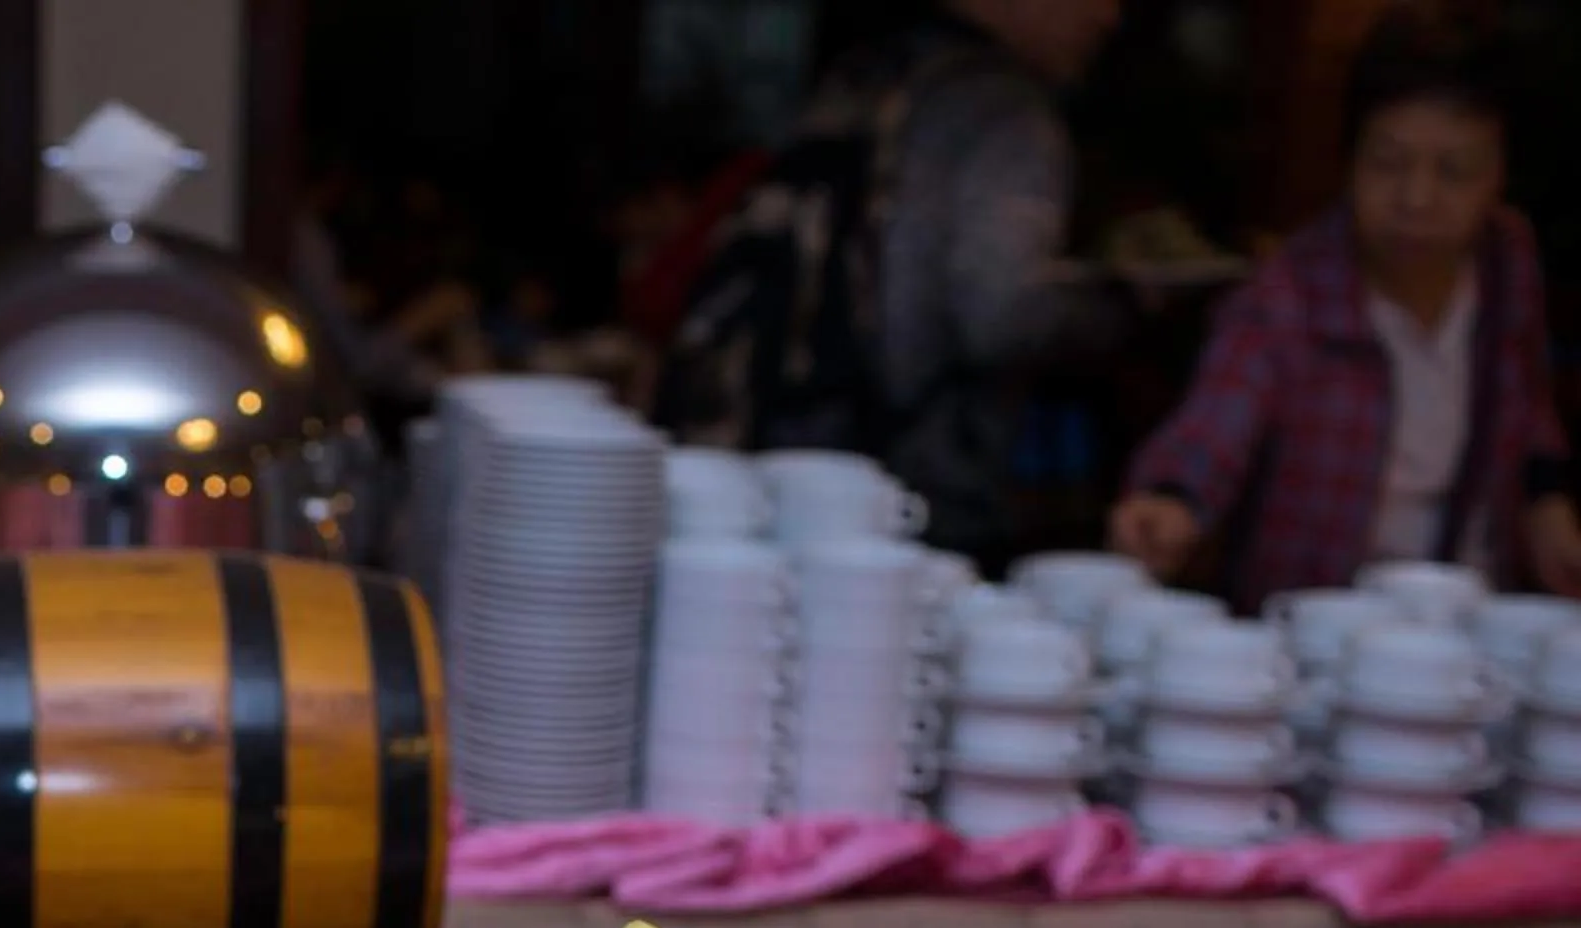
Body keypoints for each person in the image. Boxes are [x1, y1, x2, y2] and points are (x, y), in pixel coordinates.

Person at [1110, 8, 1581, 602]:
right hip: (1323, 621)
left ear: (1500, 175)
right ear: (1348, 160)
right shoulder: (1290, 293)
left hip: (1472, 613)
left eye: (1454, 171)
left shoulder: (1508, 262)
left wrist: (1547, 504)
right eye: (1388, 163)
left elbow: (1531, 411)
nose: (1416, 198)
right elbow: (1216, 422)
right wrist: (1172, 501)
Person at [659, 0, 1136, 565]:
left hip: (783, 444)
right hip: (916, 481)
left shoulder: (866, 75)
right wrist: (1124, 305)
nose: (1109, 16)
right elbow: (999, 315)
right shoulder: (1002, 109)